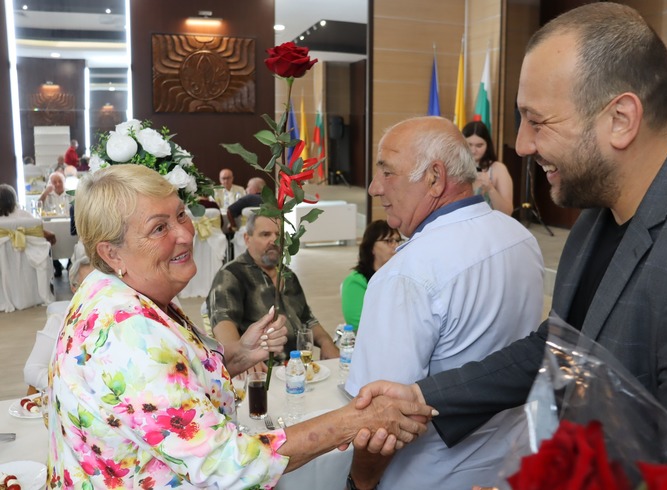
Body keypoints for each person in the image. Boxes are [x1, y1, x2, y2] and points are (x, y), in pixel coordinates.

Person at [353, 1, 667, 461]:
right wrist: (422, 395)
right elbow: (557, 348)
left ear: (621, 119)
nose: (521, 145)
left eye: (537, 121)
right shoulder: (595, 217)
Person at [48, 164, 434, 488]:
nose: (186, 234)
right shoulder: (129, 334)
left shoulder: (116, 290)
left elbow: (163, 387)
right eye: (159, 228)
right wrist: (355, 420)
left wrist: (235, 357)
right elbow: (226, 464)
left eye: (181, 214)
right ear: (112, 253)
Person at [345, 116, 544, 489]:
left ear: (435, 177)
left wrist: (359, 483)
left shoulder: (406, 274)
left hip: (429, 476)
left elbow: (379, 421)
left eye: (387, 172)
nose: (374, 187)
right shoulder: (518, 237)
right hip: (511, 466)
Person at [208, 212, 340, 373]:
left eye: (278, 235)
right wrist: (243, 356)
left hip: (298, 368)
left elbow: (307, 319)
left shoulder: (288, 275)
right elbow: (223, 323)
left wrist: (326, 342)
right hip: (264, 372)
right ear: (247, 239)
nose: (274, 240)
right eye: (265, 234)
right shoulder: (231, 275)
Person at [23, 243, 92, 393]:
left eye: (99, 285)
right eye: (85, 286)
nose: (93, 292)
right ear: (73, 288)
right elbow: (32, 370)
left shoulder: (117, 319)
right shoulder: (59, 320)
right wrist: (70, 390)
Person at [341, 220, 401, 331]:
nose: (396, 246)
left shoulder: (400, 276)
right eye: (389, 241)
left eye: (397, 241)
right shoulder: (356, 281)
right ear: (371, 247)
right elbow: (358, 323)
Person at [462, 120, 514, 215]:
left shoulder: (498, 169)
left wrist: (490, 188)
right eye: (469, 145)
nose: (473, 150)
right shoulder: (455, 167)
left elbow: (507, 212)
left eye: (479, 145)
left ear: (487, 145)